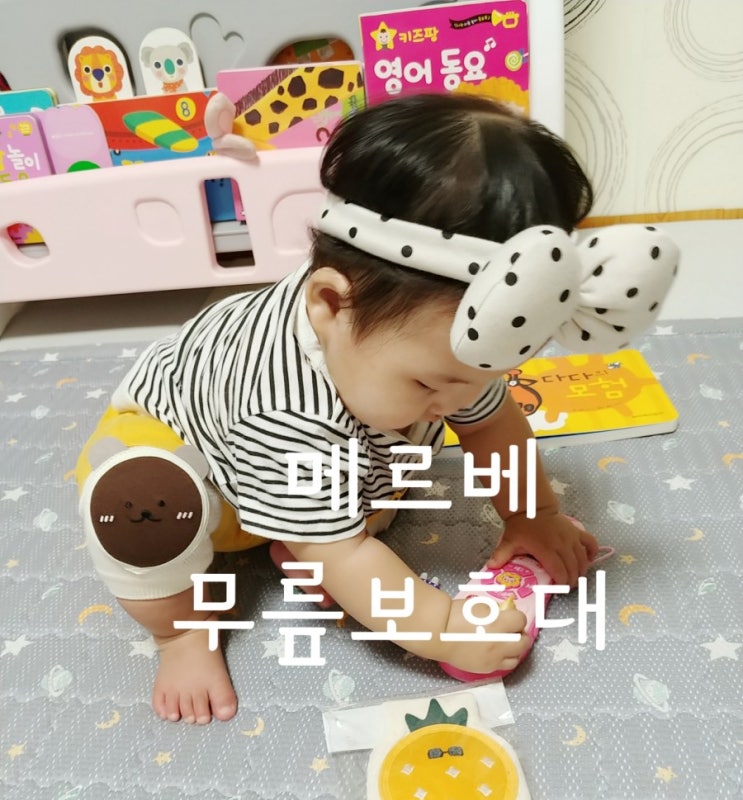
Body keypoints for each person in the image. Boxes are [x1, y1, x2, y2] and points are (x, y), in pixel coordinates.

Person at [75, 93, 679, 725]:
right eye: (428, 384)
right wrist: (443, 629)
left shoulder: (434, 350)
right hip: (197, 466)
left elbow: (493, 426)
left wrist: (534, 514)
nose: (454, 404)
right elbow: (345, 556)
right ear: (331, 306)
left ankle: (300, 527)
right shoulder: (283, 408)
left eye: (476, 379)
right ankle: (181, 633)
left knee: (378, 485)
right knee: (136, 509)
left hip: (312, 464)